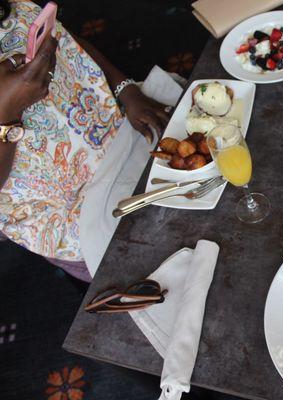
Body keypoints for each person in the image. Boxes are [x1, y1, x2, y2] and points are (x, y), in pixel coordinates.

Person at [0, 0, 170, 279]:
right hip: (75, 216)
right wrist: (5, 113)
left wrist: (125, 90)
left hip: (124, 134)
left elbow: (64, 43)